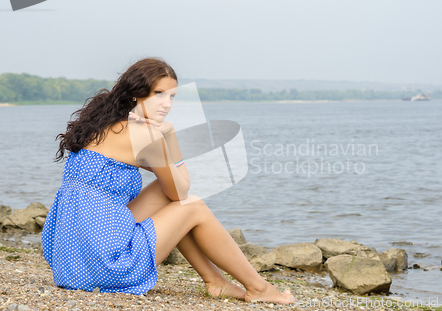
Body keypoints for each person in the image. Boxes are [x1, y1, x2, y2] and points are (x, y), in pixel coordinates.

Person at [41, 57, 295, 304]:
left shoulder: (98, 126)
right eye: (158, 94)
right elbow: (182, 191)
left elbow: (170, 190)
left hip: (70, 264)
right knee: (192, 207)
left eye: (172, 96)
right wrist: (170, 136)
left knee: (165, 197)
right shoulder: (144, 135)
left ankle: (215, 281)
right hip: (107, 267)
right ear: (135, 94)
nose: (167, 104)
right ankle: (258, 287)